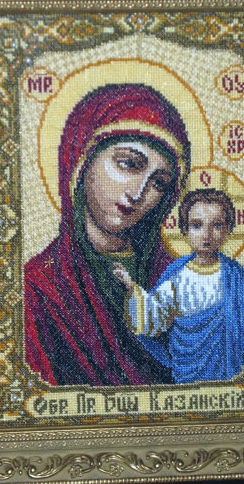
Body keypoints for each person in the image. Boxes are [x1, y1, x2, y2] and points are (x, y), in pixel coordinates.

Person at [25, 83, 191, 386]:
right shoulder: (39, 288)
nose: (138, 193)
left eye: (158, 183)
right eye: (128, 164)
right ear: (81, 160)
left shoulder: (175, 276)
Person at [114, 188, 244, 383]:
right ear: (184, 230)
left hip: (230, 372)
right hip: (186, 368)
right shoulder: (177, 275)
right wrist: (132, 288)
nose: (207, 234)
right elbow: (155, 316)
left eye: (217, 225)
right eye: (197, 225)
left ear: (228, 230)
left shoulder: (239, 279)